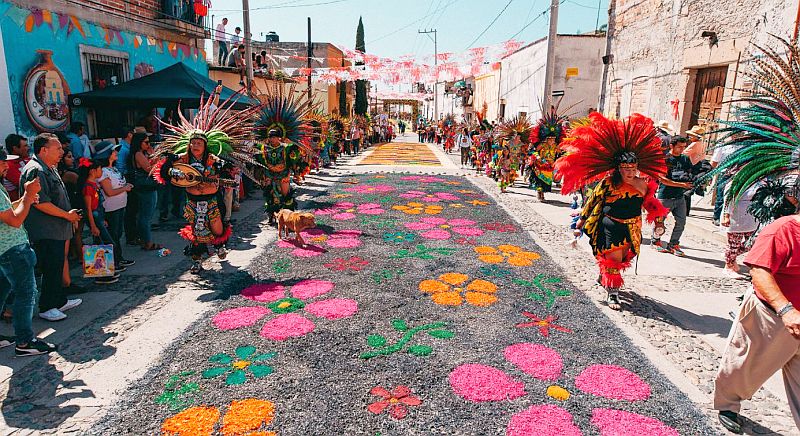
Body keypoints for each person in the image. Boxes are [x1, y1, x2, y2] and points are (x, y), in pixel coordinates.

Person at [557, 112, 668, 311]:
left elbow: (650, 204)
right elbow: (593, 201)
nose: (630, 172)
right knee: (613, 259)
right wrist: (581, 222)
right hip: (610, 225)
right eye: (626, 168)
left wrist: (659, 221)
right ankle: (613, 294)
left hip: (633, 227)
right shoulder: (608, 183)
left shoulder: (643, 184)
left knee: (624, 257)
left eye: (633, 168)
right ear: (618, 169)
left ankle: (605, 276)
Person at [154, 92, 262, 273]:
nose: (195, 145)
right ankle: (196, 260)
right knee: (196, 231)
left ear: (205, 146)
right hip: (192, 202)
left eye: (198, 143)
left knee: (217, 230)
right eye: (192, 142)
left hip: (212, 199)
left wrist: (225, 172)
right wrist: (171, 167)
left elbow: (228, 173)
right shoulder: (182, 159)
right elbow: (165, 174)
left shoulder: (214, 159)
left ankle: (219, 245)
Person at [0, 147, 59, 355]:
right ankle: (24, 342)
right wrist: (28, 195)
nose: (7, 165)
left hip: (6, 250)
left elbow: (7, 212)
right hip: (13, 249)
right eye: (2, 162)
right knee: (26, 293)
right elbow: (15, 220)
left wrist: (25, 199)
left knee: (3, 290)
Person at [19, 133, 82, 322]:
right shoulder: (36, 170)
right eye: (58, 148)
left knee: (56, 265)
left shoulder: (49, 167)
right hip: (46, 230)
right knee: (50, 266)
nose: (62, 151)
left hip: (57, 228)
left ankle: (58, 300)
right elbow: (40, 203)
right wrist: (66, 215)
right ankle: (47, 306)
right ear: (44, 150)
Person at [77, 157, 119, 284]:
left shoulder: (94, 184)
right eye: (100, 169)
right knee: (103, 244)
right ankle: (101, 274)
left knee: (103, 243)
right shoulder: (88, 187)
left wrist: (102, 219)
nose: (101, 171)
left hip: (99, 216)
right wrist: (94, 225)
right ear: (92, 171)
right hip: (94, 217)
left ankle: (105, 271)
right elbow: (88, 208)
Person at [94, 141, 135, 272]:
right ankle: (112, 263)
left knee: (117, 234)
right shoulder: (103, 172)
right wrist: (125, 188)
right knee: (112, 235)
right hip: (110, 208)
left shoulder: (114, 168)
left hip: (120, 206)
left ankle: (119, 258)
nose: (116, 153)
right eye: (113, 151)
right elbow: (109, 192)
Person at [652, 136, 693, 257]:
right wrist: (681, 184)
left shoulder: (685, 159)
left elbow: (689, 173)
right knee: (660, 222)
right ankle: (655, 241)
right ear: (671, 146)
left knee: (681, 222)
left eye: (683, 147)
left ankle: (673, 244)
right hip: (665, 196)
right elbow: (662, 179)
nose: (682, 149)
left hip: (680, 197)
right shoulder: (665, 159)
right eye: (679, 146)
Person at [129, 133, 161, 251]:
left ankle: (144, 240)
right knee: (145, 216)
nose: (148, 145)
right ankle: (147, 242)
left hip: (147, 187)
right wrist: (155, 157)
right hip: (145, 187)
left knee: (145, 215)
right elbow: (150, 170)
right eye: (146, 143)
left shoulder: (142, 153)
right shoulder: (138, 154)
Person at [720, 181, 758, 278]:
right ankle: (728, 266)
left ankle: (730, 257)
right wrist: (726, 216)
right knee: (734, 244)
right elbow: (728, 200)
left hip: (751, 218)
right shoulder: (735, 182)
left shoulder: (757, 182)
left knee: (753, 243)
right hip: (736, 218)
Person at [3, 134, 29, 201]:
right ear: (15, 148)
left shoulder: (23, 160)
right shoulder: (8, 166)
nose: (28, 148)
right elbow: (25, 184)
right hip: (17, 206)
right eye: (25, 146)